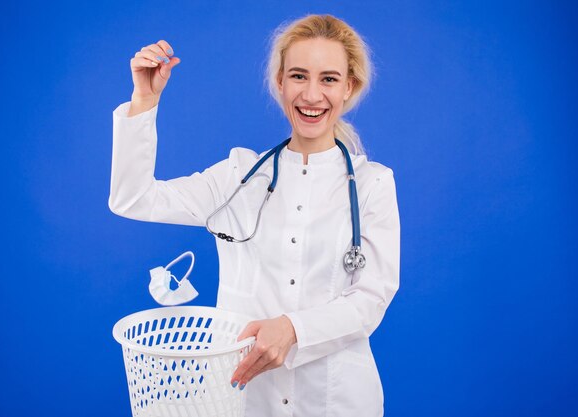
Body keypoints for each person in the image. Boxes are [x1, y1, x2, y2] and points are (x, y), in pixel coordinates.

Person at [109, 14, 400, 417]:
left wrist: (293, 328)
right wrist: (144, 102)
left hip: (337, 399)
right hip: (241, 399)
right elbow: (134, 198)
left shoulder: (372, 185)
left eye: (329, 79)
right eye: (299, 76)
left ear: (349, 87)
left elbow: (371, 297)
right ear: (280, 82)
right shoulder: (238, 176)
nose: (312, 94)